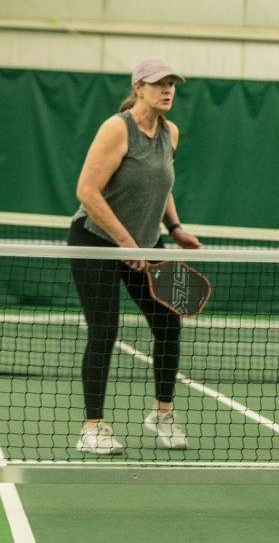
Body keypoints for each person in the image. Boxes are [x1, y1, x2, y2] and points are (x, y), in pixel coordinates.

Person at [69, 58, 202, 455]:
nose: (168, 90)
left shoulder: (170, 132)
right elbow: (87, 191)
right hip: (95, 241)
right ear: (138, 88)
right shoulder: (117, 128)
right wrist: (125, 242)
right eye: (159, 83)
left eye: (171, 84)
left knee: (168, 323)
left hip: (143, 243)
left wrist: (175, 228)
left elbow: (161, 185)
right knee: (104, 329)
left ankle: (162, 413)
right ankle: (92, 428)